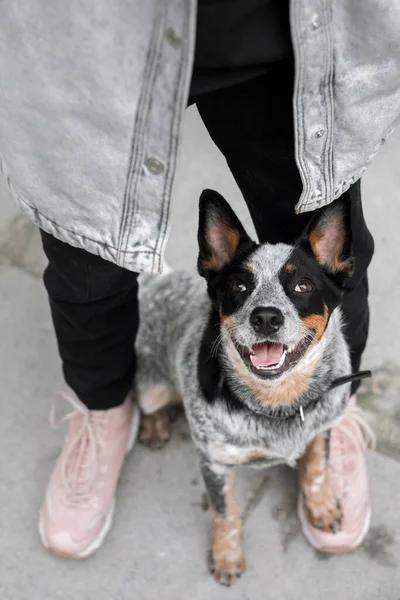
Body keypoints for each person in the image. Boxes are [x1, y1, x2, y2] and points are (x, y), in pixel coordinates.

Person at [0, 0, 398, 559]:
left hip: (266, 29)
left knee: (314, 201)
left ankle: (330, 420)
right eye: (241, 291)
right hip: (85, 46)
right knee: (84, 262)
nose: (266, 309)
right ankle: (105, 407)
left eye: (295, 293)